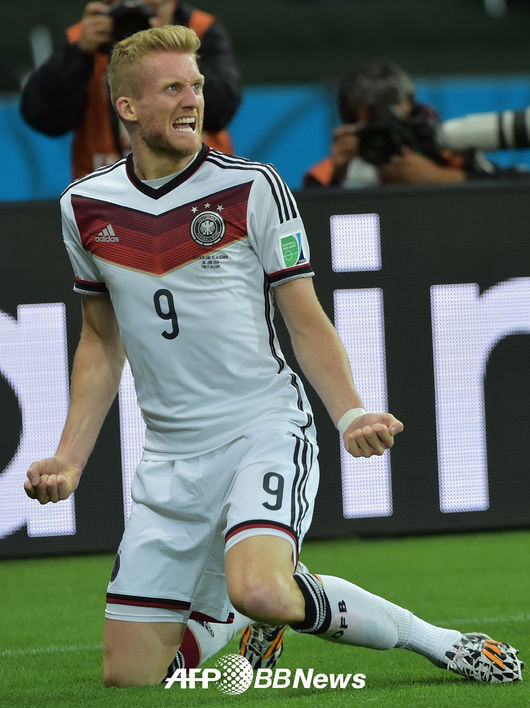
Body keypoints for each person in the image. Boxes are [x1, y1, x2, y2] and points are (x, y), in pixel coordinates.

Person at [24, 25, 523, 688]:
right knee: (134, 677)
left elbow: (305, 319)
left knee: (261, 587)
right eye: (172, 88)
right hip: (170, 458)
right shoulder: (84, 207)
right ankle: (255, 607)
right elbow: (100, 338)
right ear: (128, 107)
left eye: (196, 85)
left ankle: (439, 642)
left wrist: (350, 414)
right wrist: (68, 458)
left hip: (261, 429)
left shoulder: (253, 187)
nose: (192, 99)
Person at [19, 0, 241, 178]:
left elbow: (222, 110)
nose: (139, 17)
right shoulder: (84, 37)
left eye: (151, 8)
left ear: (172, 4)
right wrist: (78, 55)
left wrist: (169, 46)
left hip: (198, 184)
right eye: (129, 6)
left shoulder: (200, 29)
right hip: (105, 189)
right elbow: (43, 117)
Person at [304, 60, 529, 188]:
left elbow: (518, 190)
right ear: (349, 128)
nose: (389, 136)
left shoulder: (449, 156)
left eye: (397, 123)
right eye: (374, 129)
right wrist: (339, 178)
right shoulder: (326, 175)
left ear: (414, 113)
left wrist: (442, 178)